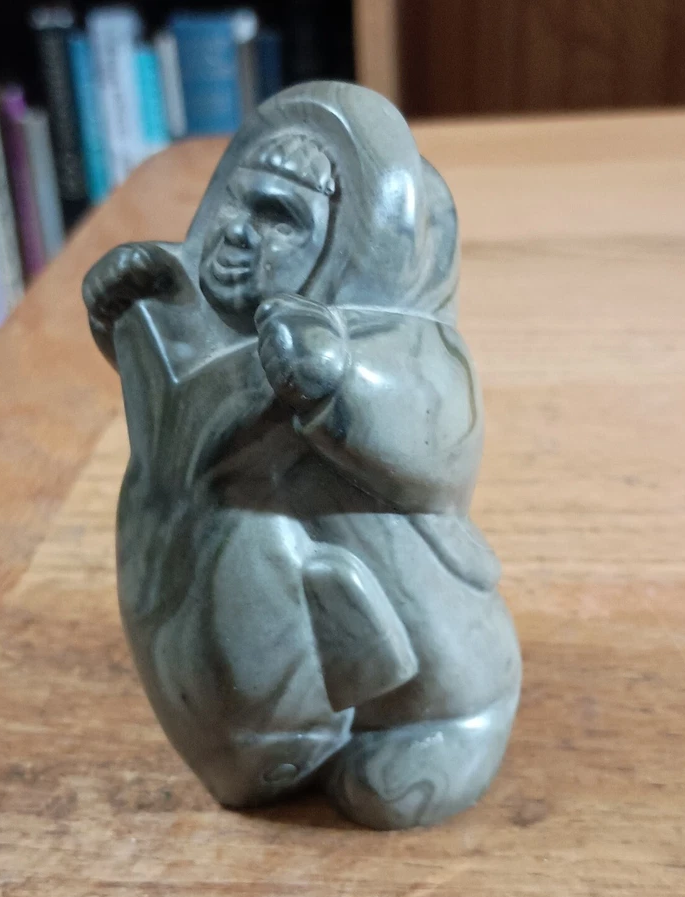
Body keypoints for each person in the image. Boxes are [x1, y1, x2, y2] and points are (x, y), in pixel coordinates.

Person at [83, 82, 521, 829]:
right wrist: (123, 316)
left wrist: (337, 375)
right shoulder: (222, 322)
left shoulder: (411, 349)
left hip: (412, 655)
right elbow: (171, 416)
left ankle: (456, 727)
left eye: (280, 218)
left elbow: (441, 442)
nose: (236, 231)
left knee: (394, 772)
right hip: (226, 613)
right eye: (237, 201)